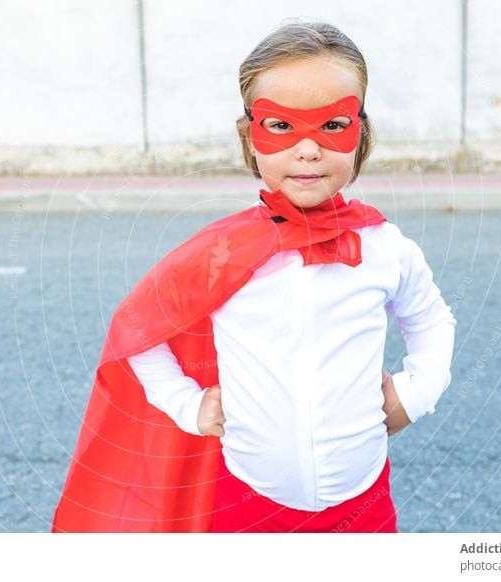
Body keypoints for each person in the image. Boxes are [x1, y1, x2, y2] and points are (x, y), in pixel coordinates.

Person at [51, 20, 456, 533]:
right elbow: (136, 327)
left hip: (364, 506)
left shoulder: (384, 247)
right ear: (250, 137)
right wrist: (187, 405)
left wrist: (415, 394)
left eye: (333, 125)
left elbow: (432, 319)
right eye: (281, 126)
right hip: (245, 506)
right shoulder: (221, 253)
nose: (308, 149)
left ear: (362, 132)